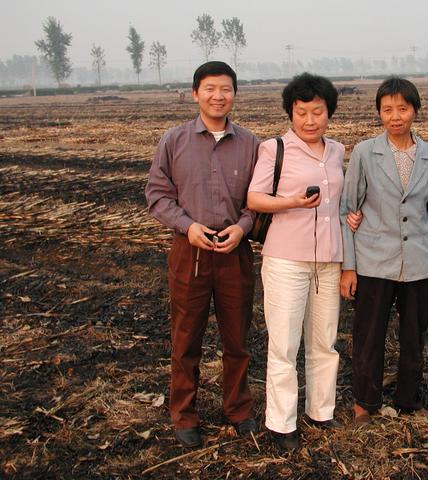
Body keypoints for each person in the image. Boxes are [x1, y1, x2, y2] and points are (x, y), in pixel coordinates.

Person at [145, 61, 259, 448]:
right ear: (195, 93)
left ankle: (238, 409)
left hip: (234, 252)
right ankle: (184, 414)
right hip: (188, 251)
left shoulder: (251, 144)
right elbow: (157, 195)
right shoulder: (173, 141)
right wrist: (187, 226)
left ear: (234, 95)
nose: (218, 96)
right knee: (186, 338)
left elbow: (258, 202)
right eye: (210, 88)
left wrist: (242, 227)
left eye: (225, 89)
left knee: (237, 339)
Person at [247, 73, 360, 450]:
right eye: (301, 112)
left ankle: (320, 412)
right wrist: (292, 202)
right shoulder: (275, 148)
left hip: (328, 259)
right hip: (286, 259)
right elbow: (255, 198)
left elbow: (342, 204)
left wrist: (351, 224)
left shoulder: (337, 150)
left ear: (330, 112)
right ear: (290, 114)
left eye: (318, 112)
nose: (310, 120)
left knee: (325, 341)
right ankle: (280, 425)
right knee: (284, 343)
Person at [340, 77, 428, 424]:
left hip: (421, 263)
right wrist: (348, 266)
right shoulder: (364, 153)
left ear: (415, 111)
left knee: (413, 337)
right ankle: (365, 400)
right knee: (368, 336)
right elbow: (346, 210)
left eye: (402, 109)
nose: (395, 116)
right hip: (374, 261)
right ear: (379, 113)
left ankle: (408, 399)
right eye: (387, 109)